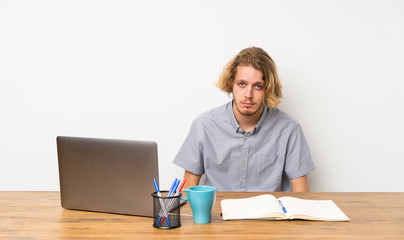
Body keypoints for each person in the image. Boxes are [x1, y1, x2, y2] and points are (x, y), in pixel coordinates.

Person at [173, 47, 315, 192]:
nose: (248, 94)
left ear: (268, 89)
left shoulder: (289, 129)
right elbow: (188, 191)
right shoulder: (203, 125)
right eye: (242, 84)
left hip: (268, 214)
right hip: (217, 213)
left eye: (258, 86)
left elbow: (301, 194)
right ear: (231, 84)